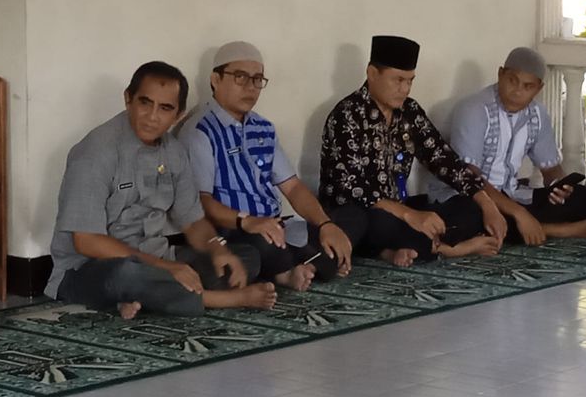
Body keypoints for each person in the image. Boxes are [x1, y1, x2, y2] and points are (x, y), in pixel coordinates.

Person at [46, 61, 276, 317]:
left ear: (178, 115)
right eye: (145, 103)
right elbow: (87, 241)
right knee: (125, 274)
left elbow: (192, 222)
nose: (152, 116)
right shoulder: (95, 152)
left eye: (165, 108)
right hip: (90, 268)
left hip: (157, 257)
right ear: (128, 99)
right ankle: (222, 299)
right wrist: (164, 267)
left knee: (244, 256)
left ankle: (141, 299)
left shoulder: (174, 152)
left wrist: (217, 248)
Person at [179, 42, 364, 292]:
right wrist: (248, 221)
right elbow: (202, 203)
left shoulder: (263, 128)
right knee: (260, 246)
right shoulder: (200, 131)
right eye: (240, 77)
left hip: (274, 225)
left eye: (257, 79)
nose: (250, 87)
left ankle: (304, 265)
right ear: (215, 79)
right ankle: (299, 268)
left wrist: (325, 225)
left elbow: (293, 187)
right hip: (234, 229)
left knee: (345, 222)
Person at [319, 35, 506, 267]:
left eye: (410, 81)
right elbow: (353, 189)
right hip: (361, 212)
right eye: (398, 80)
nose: (405, 89)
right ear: (372, 73)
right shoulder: (346, 115)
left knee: (469, 208)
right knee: (375, 222)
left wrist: (487, 203)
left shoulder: (410, 111)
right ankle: (448, 248)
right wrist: (410, 215)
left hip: (401, 211)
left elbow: (443, 159)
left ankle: (400, 250)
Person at [443, 47, 586, 244]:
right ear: (500, 74)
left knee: (585, 197)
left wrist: (558, 187)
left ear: (539, 88)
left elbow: (551, 169)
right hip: (470, 197)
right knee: (467, 217)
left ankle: (529, 226)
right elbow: (470, 178)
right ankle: (551, 229)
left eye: (528, 86)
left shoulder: (537, 114)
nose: (518, 91)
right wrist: (520, 213)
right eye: (512, 80)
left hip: (511, 195)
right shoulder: (474, 109)